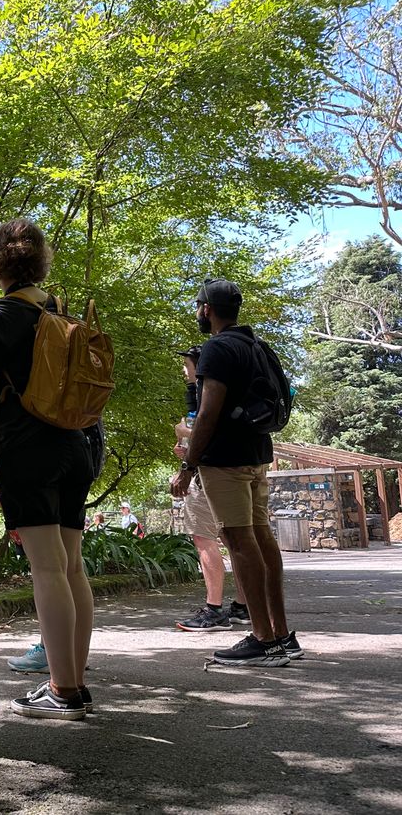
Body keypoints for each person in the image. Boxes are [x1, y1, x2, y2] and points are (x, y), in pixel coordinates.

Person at [0, 218, 94, 720]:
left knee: (47, 569)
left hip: (26, 447)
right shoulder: (61, 312)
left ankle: (63, 691)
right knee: (72, 567)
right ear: (39, 260)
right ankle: (73, 682)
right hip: (75, 445)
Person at [170, 279, 302, 665]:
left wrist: (187, 467)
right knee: (262, 541)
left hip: (225, 461)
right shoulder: (257, 346)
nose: (198, 313)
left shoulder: (217, 348)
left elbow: (208, 413)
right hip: (258, 455)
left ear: (206, 310)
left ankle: (263, 640)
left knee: (239, 542)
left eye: (198, 307)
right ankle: (280, 634)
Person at [172, 345, 250, 632]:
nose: (184, 370)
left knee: (204, 539)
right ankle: (243, 606)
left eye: (187, 365)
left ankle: (214, 610)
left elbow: (211, 427)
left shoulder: (208, 388)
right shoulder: (228, 385)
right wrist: (188, 448)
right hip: (233, 469)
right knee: (234, 539)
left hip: (210, 474)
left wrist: (186, 437)